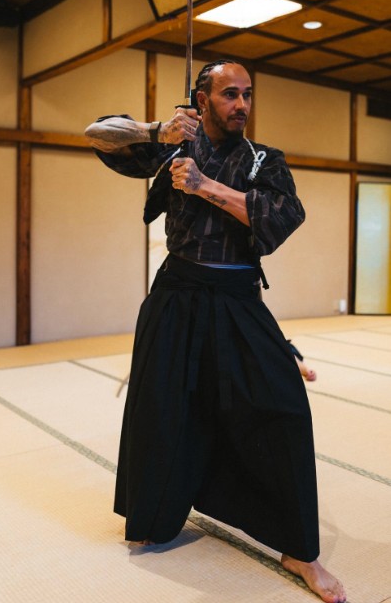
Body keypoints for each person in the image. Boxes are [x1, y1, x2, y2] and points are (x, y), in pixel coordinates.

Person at [85, 59, 345, 603]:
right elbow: (96, 133)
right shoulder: (173, 145)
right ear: (201, 100)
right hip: (177, 293)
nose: (242, 104)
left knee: (283, 408)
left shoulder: (263, 159)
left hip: (237, 296)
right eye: (230, 94)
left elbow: (280, 217)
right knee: (163, 408)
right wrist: (156, 130)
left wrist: (204, 186)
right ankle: (156, 515)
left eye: (247, 94)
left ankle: (300, 549)